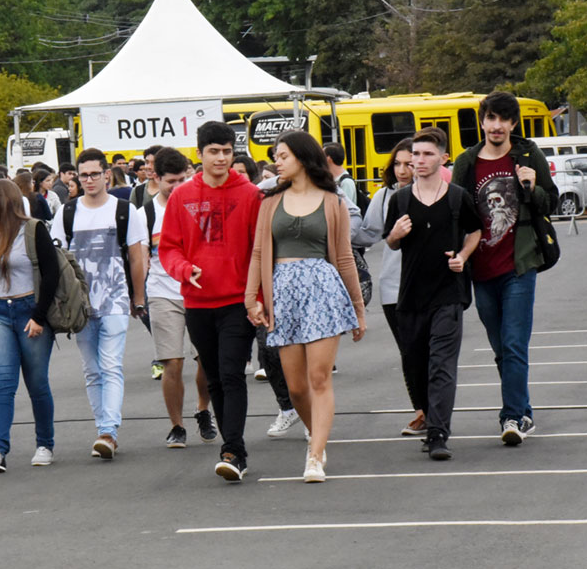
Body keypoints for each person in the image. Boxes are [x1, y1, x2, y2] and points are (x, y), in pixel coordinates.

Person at [244, 130, 366, 483]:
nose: (276, 162)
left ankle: (315, 454)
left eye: (282, 156)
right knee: (296, 387)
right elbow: (257, 252)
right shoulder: (269, 202)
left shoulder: (333, 201)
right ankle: (317, 433)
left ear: (301, 156)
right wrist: (252, 298)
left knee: (319, 378)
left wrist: (358, 309)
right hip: (283, 293)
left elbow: (344, 257)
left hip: (323, 292)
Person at [452, 91, 558, 446]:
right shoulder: (467, 162)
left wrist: (530, 185)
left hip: (519, 264)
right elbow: (457, 212)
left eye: (504, 119)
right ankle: (523, 408)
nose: (496, 126)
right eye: (491, 118)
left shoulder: (528, 155)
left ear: (513, 123)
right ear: (482, 121)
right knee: (500, 347)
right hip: (480, 269)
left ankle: (512, 417)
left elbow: (552, 201)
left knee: (514, 343)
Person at [158, 121, 262, 482]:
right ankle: (233, 445)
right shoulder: (182, 196)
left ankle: (234, 450)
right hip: (198, 303)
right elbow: (168, 247)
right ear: (199, 154)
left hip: (237, 300)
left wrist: (258, 298)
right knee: (214, 377)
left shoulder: (250, 195)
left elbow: (259, 250)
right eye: (214, 151)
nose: (221, 158)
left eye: (227, 151)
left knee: (232, 373)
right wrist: (185, 270)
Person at [385, 128, 482, 460]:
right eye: (415, 154)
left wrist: (463, 257)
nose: (419, 160)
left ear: (442, 158)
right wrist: (395, 235)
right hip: (411, 295)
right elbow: (390, 241)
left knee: (442, 364)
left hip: (448, 294)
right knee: (416, 364)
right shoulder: (399, 199)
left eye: (427, 154)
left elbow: (475, 231)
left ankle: (439, 433)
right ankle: (428, 416)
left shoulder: (457, 197)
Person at [51, 148, 147, 460]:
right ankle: (102, 428)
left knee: (111, 365)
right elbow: (56, 259)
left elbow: (136, 256)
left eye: (95, 173)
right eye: (84, 175)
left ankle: (109, 432)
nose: (90, 180)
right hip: (80, 303)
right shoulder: (67, 213)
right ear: (76, 178)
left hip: (115, 297)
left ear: (106, 174)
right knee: (92, 370)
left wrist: (138, 296)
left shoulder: (124, 210)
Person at [0, 179, 59, 472]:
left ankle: (45, 443)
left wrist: (39, 316)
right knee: (3, 385)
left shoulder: (33, 230)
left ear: (4, 201)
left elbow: (51, 275)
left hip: (30, 312)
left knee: (37, 383)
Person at [140, 147, 218, 448]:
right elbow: (140, 257)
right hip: (162, 291)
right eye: (170, 181)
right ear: (155, 178)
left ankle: (202, 409)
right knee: (172, 362)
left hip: (199, 289)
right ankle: (177, 426)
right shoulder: (144, 214)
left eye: (182, 179)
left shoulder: (200, 204)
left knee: (206, 359)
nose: (177, 187)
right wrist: (137, 297)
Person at [354, 138, 422, 434]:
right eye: (397, 163)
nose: (403, 170)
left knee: (430, 353)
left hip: (429, 285)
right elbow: (367, 234)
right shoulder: (384, 196)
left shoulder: (434, 194)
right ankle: (422, 411)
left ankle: (435, 411)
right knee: (408, 352)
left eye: (409, 163)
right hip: (394, 287)